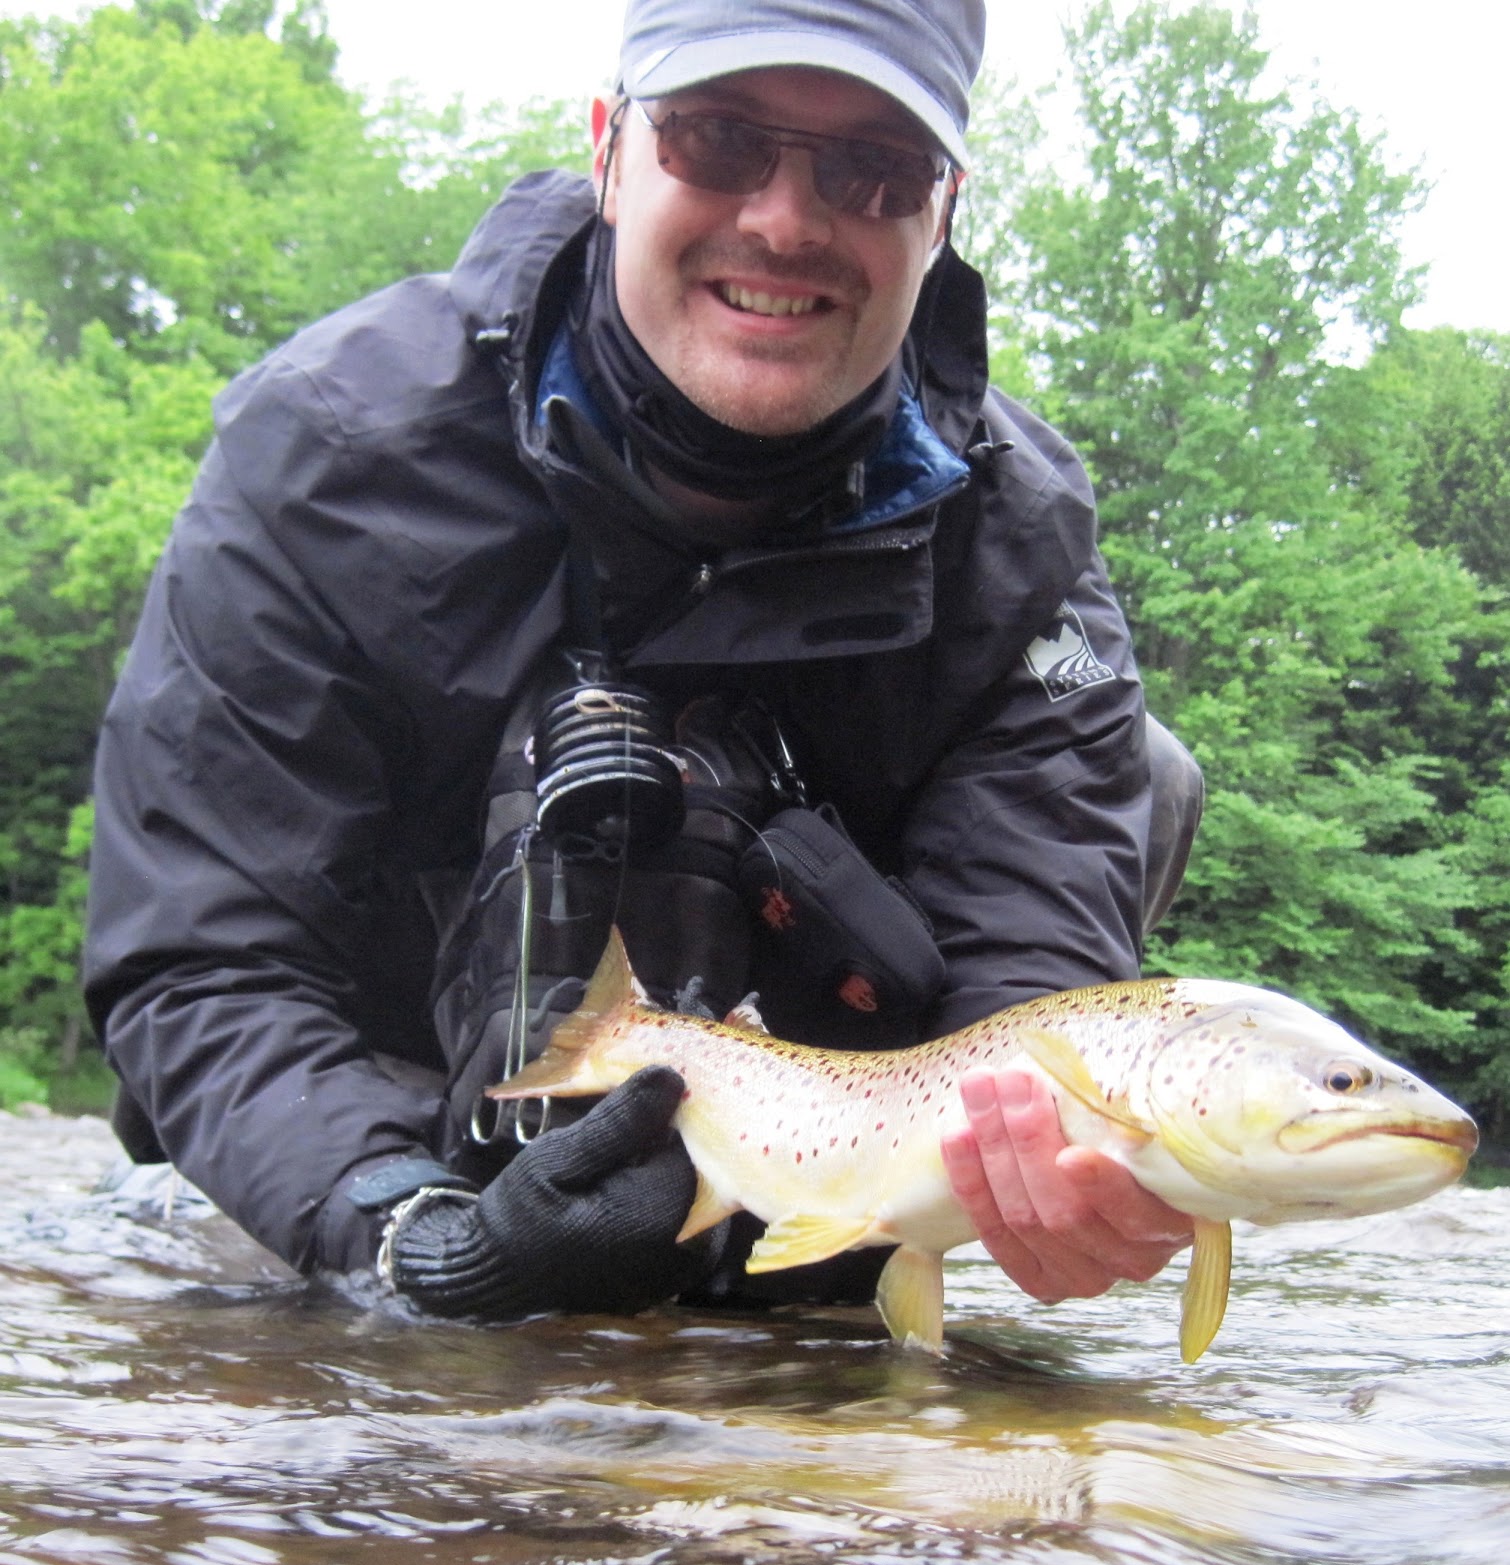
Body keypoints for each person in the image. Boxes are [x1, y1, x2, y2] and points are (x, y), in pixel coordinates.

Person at [83, 0, 1204, 1325]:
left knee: (1150, 774)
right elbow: (203, 955)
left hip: (817, 1156)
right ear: (611, 155)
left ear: (939, 211)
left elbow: (1035, 987)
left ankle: (814, 1256)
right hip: (401, 1146)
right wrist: (411, 1238)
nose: (787, 220)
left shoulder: (1016, 542)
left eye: (870, 170)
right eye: (719, 141)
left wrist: (1045, 1172)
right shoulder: (326, 456)